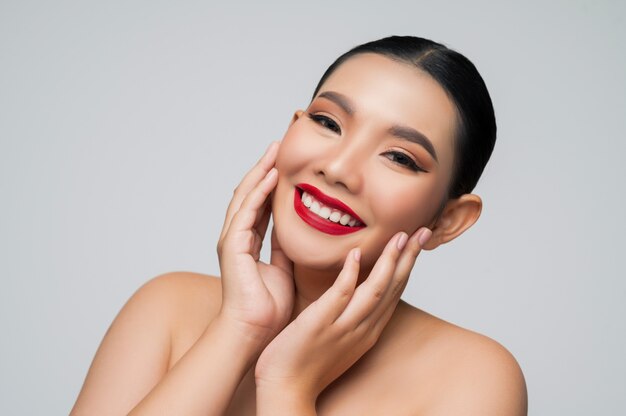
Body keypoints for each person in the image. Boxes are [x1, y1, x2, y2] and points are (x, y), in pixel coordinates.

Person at [71, 35, 527, 415]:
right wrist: (240, 328)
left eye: (399, 157)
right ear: (293, 129)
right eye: (327, 122)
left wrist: (288, 387)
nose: (339, 169)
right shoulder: (166, 308)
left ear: (449, 220)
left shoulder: (474, 376)